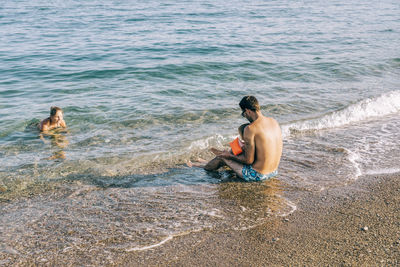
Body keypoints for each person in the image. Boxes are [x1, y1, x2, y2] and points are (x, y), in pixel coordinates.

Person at [204, 96, 283, 182]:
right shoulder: (273, 121)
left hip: (258, 175)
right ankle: (204, 164)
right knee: (234, 153)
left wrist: (229, 156)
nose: (244, 116)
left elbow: (248, 160)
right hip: (273, 172)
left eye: (243, 114)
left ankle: (202, 169)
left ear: (247, 111)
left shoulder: (250, 128)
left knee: (222, 157)